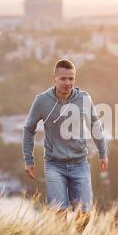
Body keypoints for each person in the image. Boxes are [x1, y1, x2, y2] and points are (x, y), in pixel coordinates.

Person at [22, 59, 108, 216]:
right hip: (54, 164)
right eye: (63, 78)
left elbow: (95, 126)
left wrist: (102, 153)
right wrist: (29, 159)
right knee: (59, 212)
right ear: (54, 79)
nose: (68, 83)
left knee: (85, 213)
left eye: (71, 78)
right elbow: (29, 129)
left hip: (80, 163)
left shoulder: (84, 98)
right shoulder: (42, 101)